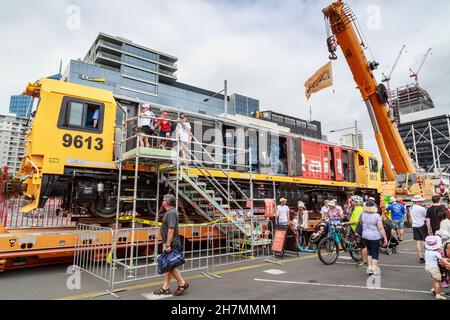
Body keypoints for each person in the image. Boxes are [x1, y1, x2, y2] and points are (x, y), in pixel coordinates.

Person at [153, 194, 189, 296]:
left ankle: (182, 283)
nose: (162, 201)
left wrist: (168, 244)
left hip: (172, 243)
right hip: (170, 242)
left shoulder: (171, 213)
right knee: (168, 265)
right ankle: (166, 287)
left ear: (168, 202)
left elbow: (171, 229)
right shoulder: (170, 212)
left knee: (170, 265)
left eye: (164, 199)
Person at [361, 199, 388, 277]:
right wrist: (385, 237)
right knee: (375, 254)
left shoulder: (363, 214)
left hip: (365, 235)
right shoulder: (376, 216)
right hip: (374, 236)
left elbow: (362, 224)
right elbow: (381, 228)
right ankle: (374, 271)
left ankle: (369, 268)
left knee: (370, 252)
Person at [344, 195, 368, 268]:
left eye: (353, 201)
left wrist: (346, 223)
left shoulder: (358, 209)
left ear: (357, 202)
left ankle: (365, 261)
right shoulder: (356, 208)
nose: (351, 202)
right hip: (357, 229)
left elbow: (357, 221)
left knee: (363, 246)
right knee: (361, 246)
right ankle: (363, 259)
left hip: (359, 230)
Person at [425, 236, 448, 300]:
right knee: (438, 281)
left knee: (435, 279)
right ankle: (438, 294)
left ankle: (434, 289)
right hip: (434, 268)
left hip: (427, 267)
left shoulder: (427, 251)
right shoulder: (436, 253)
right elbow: (443, 260)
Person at [409, 195, 428, 264]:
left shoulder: (411, 207)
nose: (422, 201)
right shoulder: (421, 208)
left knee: (418, 241)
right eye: (421, 201)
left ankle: (421, 257)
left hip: (415, 225)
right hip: (422, 225)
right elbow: (426, 216)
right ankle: (427, 256)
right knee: (425, 241)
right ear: (418, 201)